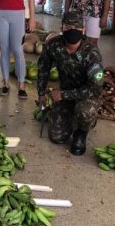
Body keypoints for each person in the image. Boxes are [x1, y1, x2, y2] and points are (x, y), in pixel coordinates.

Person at [37, 11, 104, 156]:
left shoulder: (91, 53)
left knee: (85, 112)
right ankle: (71, 117)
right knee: (56, 137)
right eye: (68, 27)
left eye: (76, 28)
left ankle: (81, 132)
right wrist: (41, 93)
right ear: (62, 28)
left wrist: (62, 95)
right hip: (65, 93)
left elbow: (95, 90)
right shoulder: (54, 45)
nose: (72, 31)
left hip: (87, 97)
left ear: (83, 30)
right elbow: (43, 68)